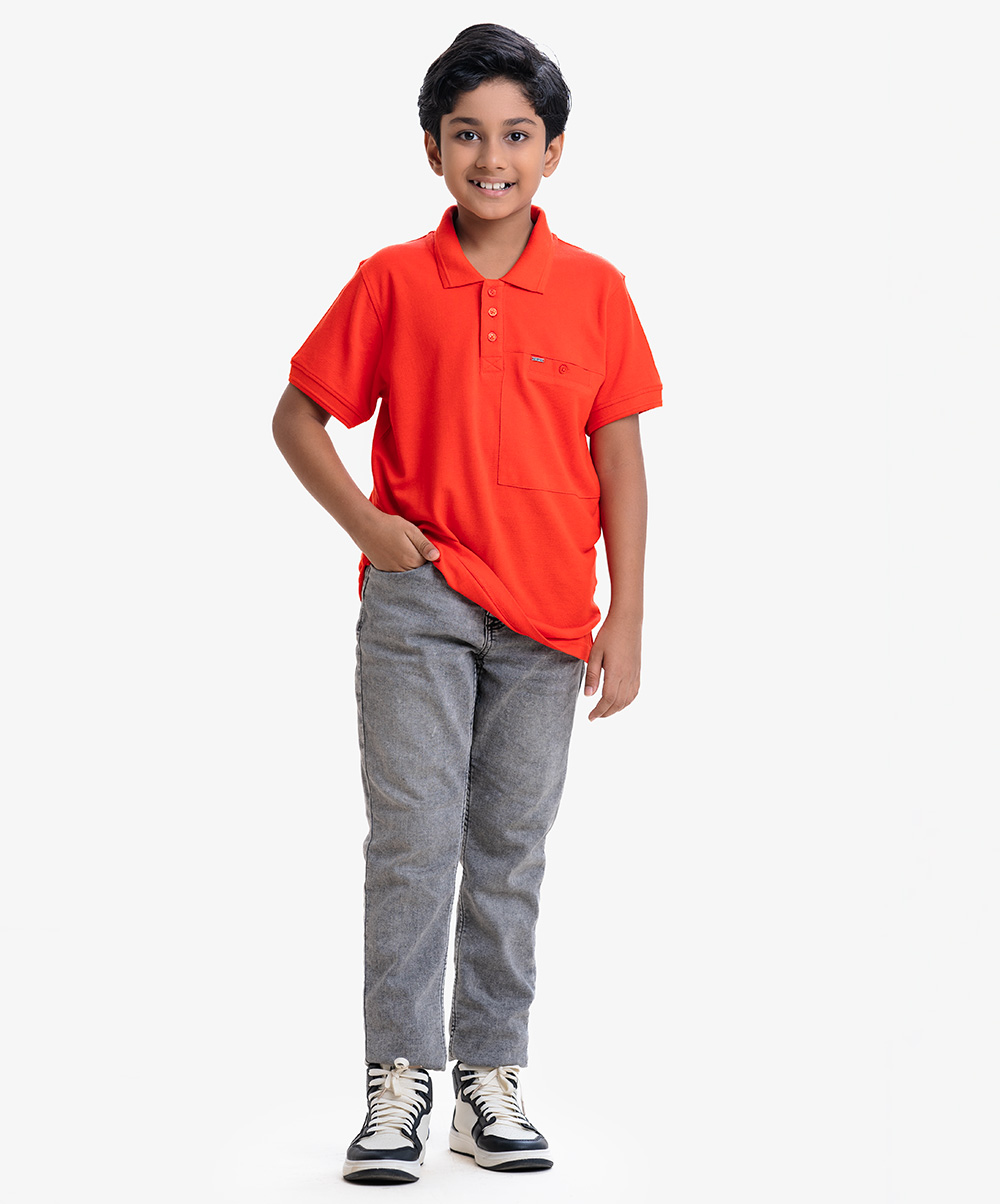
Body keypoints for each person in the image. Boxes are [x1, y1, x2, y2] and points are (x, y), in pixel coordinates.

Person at [272, 23, 662, 1185]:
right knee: (412, 844)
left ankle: (489, 1078)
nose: (492, 157)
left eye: (516, 135)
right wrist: (367, 527)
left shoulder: (596, 291)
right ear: (433, 148)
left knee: (508, 850)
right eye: (467, 134)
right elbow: (297, 416)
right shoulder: (391, 281)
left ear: (553, 150)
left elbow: (620, 460)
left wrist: (627, 615)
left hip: (547, 618)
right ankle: (398, 1081)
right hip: (421, 604)